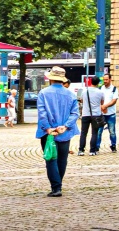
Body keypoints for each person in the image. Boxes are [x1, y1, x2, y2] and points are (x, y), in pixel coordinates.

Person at [35, 66, 78, 197]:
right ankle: (58, 184)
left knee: (51, 158)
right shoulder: (71, 94)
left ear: (51, 79)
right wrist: (65, 126)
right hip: (65, 132)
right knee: (62, 160)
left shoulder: (43, 93)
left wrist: (48, 128)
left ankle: (56, 187)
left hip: (48, 133)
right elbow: (75, 113)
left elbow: (42, 114)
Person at [77, 76, 106, 155]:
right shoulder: (100, 92)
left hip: (85, 114)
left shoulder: (85, 91)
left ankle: (81, 150)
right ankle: (92, 151)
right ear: (98, 83)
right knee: (94, 133)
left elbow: (82, 101)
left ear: (90, 82)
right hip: (96, 115)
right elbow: (102, 103)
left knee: (83, 133)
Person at [100, 75, 119, 152]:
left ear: (110, 79)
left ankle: (113, 145)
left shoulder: (114, 89)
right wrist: (102, 107)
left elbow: (114, 101)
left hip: (111, 114)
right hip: (101, 114)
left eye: (106, 79)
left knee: (112, 132)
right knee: (99, 132)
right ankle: (97, 146)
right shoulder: (100, 88)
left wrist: (105, 106)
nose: (105, 81)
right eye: (104, 79)